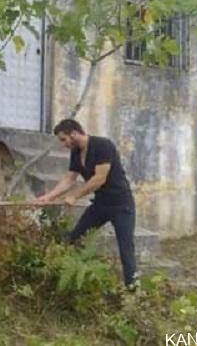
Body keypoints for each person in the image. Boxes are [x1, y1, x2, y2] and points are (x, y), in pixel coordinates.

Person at [35, 119, 138, 288]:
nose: (63, 144)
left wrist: (75, 196)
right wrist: (49, 197)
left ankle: (133, 291)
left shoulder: (103, 145)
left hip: (121, 205)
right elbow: (69, 178)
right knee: (74, 237)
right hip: (101, 204)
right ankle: (63, 278)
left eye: (63, 139)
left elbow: (99, 179)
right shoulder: (76, 152)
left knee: (126, 249)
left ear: (74, 133)